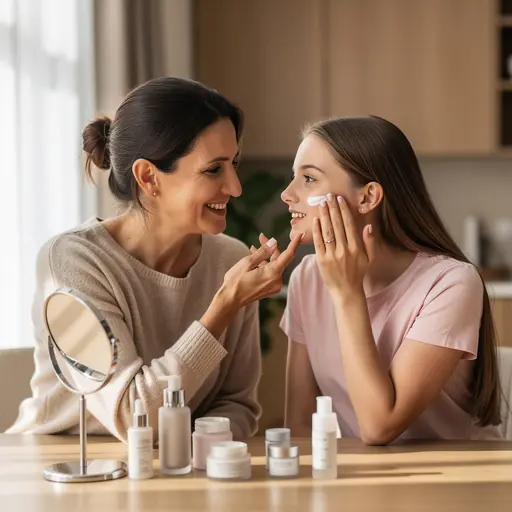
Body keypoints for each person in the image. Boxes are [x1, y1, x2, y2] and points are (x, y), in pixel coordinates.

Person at [8, 77, 301, 442]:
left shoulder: (230, 259)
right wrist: (223, 305)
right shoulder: (72, 262)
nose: (235, 187)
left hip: (166, 472)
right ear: (149, 177)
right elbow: (134, 416)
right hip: (62, 471)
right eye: (214, 170)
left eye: (234, 164)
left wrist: (193, 460)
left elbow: (237, 404)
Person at [280, 116, 502, 444]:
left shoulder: (451, 283)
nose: (287, 194)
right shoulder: (308, 279)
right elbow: (299, 428)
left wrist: (347, 294)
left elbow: (379, 426)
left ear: (368, 198)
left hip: (454, 482)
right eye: (294, 177)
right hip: (362, 480)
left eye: (309, 179)